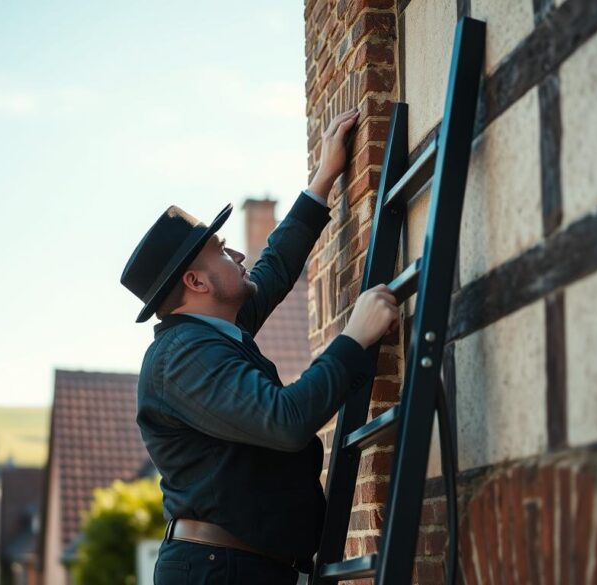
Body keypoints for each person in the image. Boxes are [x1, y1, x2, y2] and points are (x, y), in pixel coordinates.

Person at [120, 108, 400, 584]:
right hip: (221, 572)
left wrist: (321, 181)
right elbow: (284, 419)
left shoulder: (213, 328)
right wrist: (354, 338)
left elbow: (273, 267)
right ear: (196, 281)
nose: (238, 255)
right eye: (223, 252)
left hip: (240, 568)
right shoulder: (182, 358)